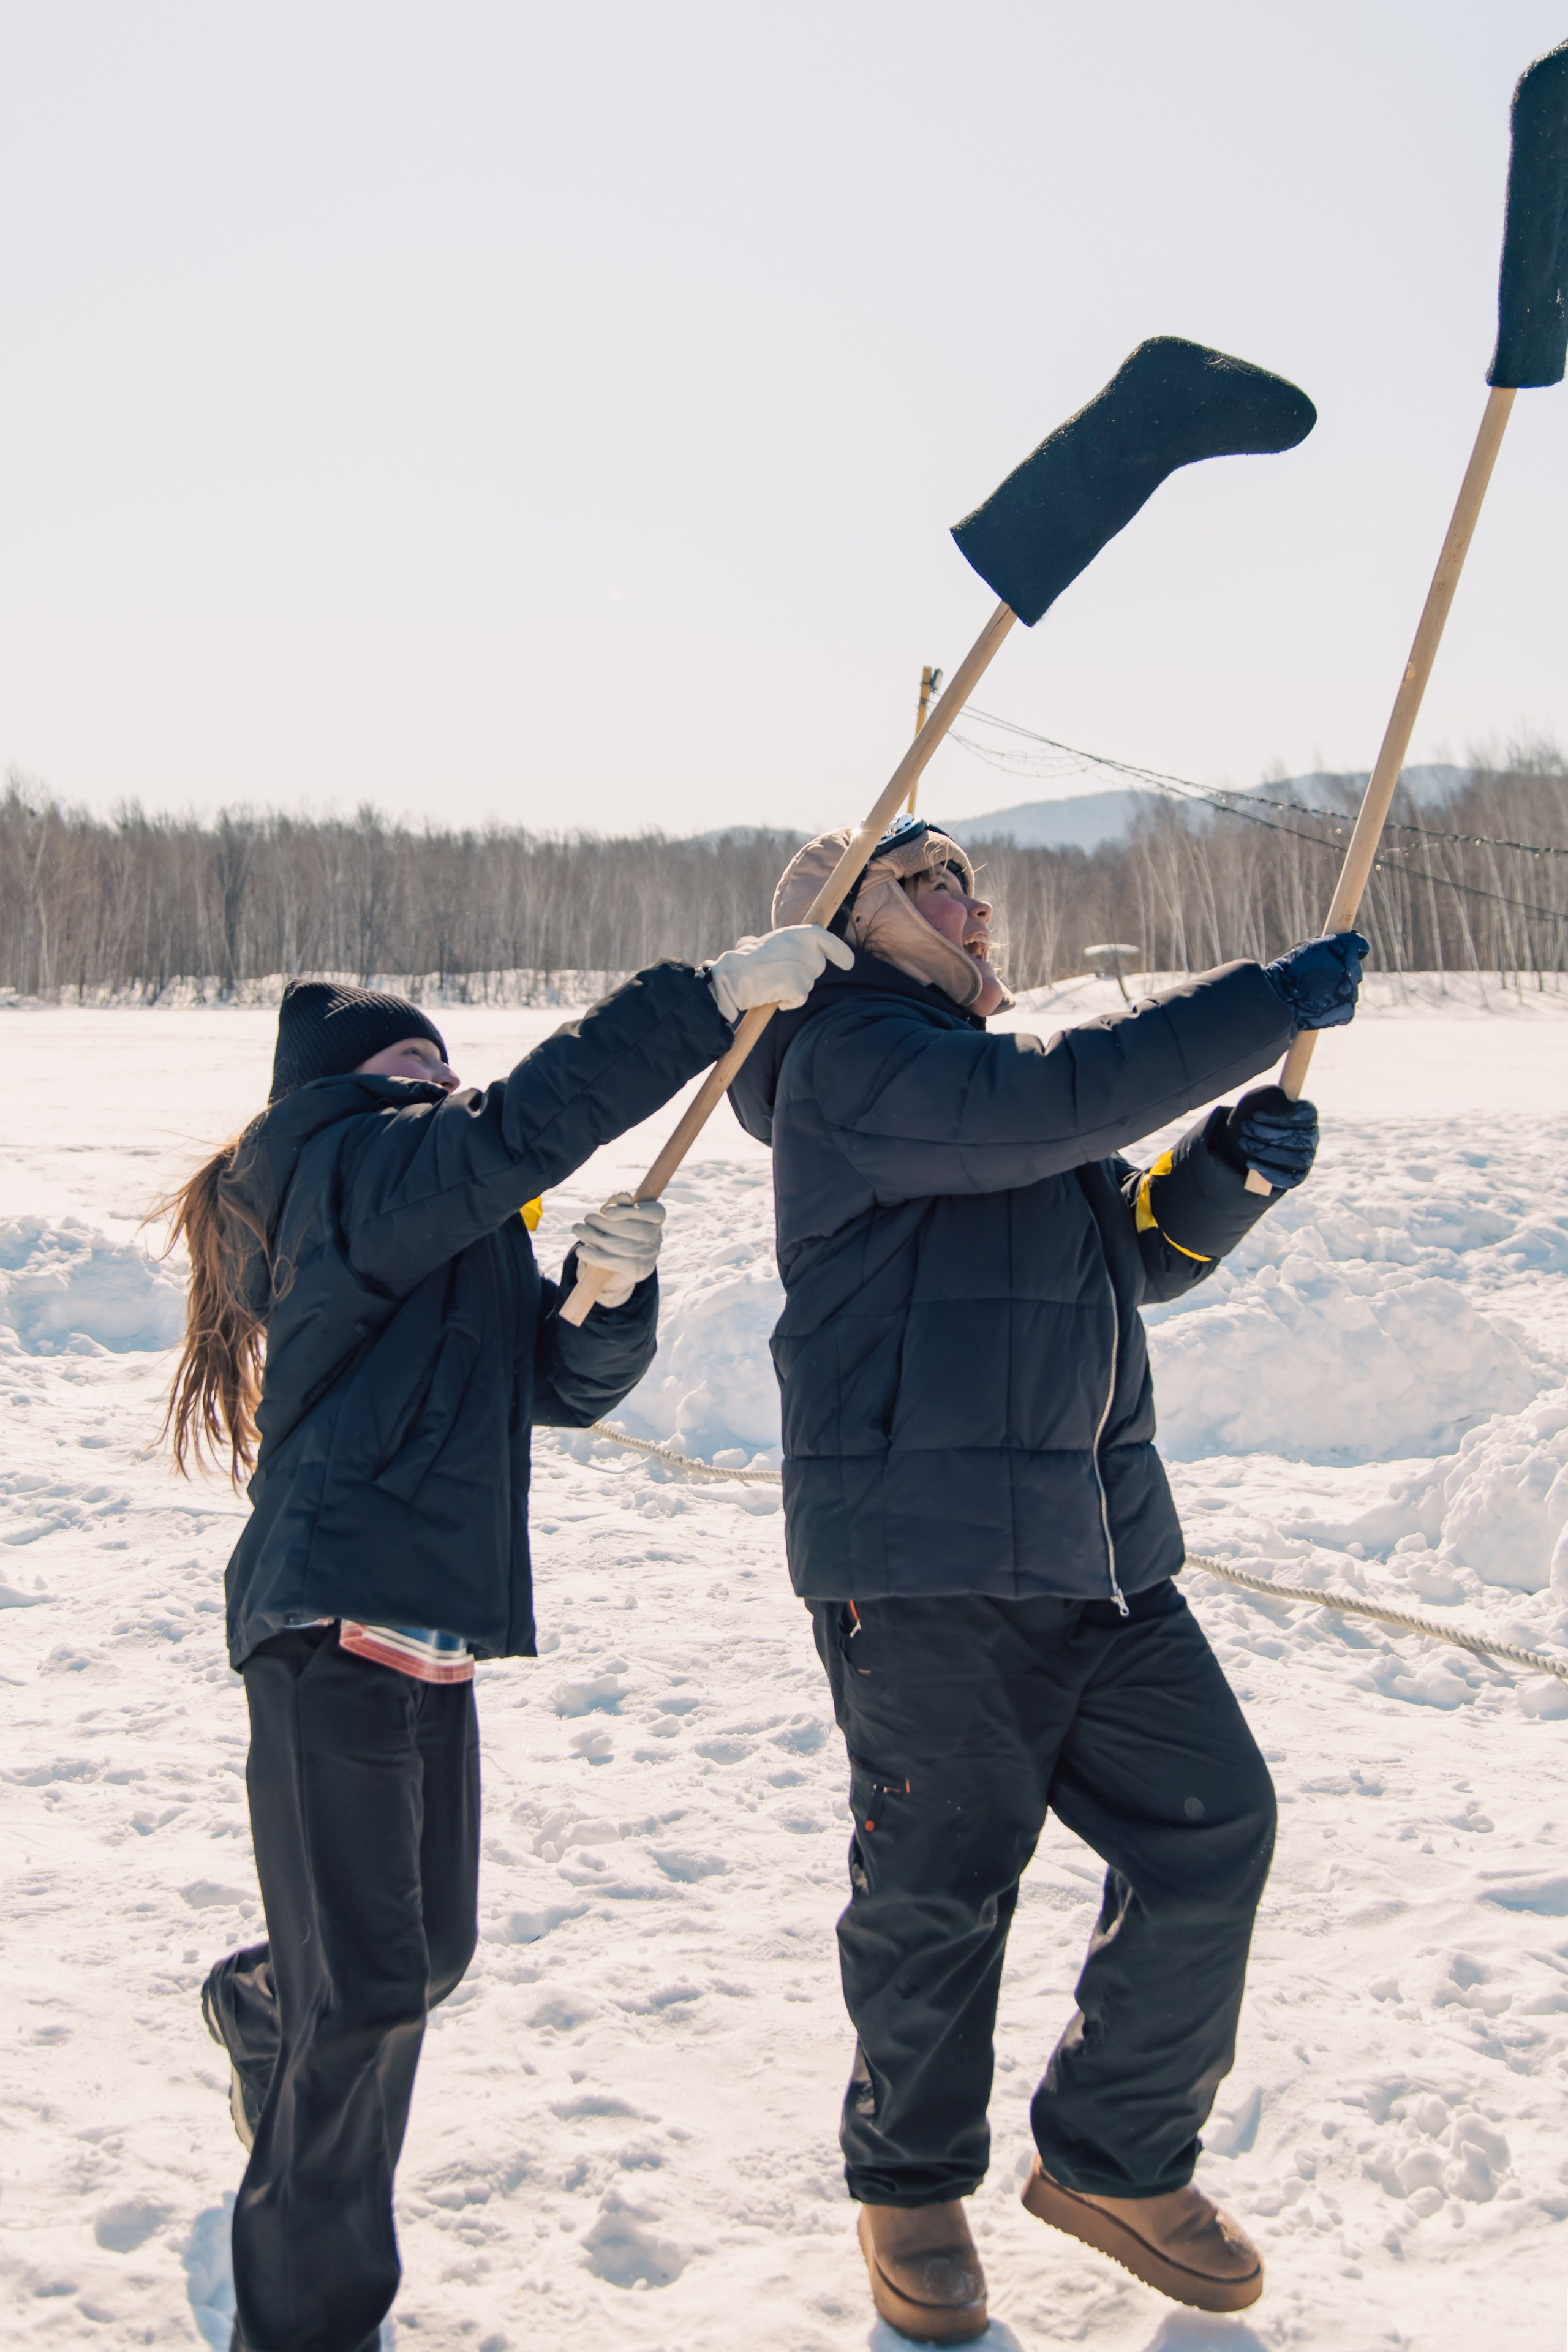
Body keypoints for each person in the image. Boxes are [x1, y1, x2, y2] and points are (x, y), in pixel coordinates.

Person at [159, 925, 850, 2352]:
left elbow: (549, 1383)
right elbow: (516, 1128)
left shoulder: (428, 1206)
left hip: (431, 1624)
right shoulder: (348, 1170)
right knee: (367, 2002)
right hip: (326, 1610)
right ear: (335, 1089)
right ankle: (305, 2322)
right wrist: (703, 1001)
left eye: (443, 1058)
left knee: (418, 1958)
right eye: (412, 1060)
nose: (439, 1076)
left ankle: (257, 2002)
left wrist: (605, 1305)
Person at [728, 814, 1365, 2344]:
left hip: (1104, 1555)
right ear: (848, 922)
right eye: (929, 884)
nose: (974, 904)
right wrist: (1258, 1001)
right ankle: (908, 2188)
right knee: (939, 1893)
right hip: (926, 1564)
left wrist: (1223, 1172)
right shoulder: (854, 1063)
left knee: (1212, 1830)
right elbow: (1067, 1095)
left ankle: (1112, 2158)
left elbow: (1124, 1255)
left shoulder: (975, 1086)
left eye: (970, 879)